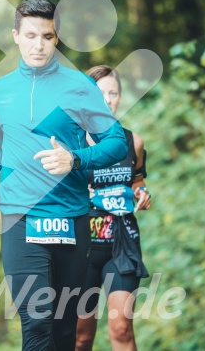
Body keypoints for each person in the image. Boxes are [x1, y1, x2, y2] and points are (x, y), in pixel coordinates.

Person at [0, 0, 128, 350]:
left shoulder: (79, 86)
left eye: (47, 36)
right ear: (15, 35)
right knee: (36, 320)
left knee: (64, 329)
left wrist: (75, 159)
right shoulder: (0, 89)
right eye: (30, 35)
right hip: (20, 217)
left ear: (57, 38)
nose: (39, 45)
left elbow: (116, 142)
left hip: (72, 218)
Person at [75, 65, 152, 351]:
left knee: (121, 329)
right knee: (80, 336)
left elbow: (138, 181)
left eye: (113, 93)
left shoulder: (134, 142)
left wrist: (142, 194)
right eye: (99, 94)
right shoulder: (74, 144)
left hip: (122, 243)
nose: (107, 100)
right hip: (81, 246)